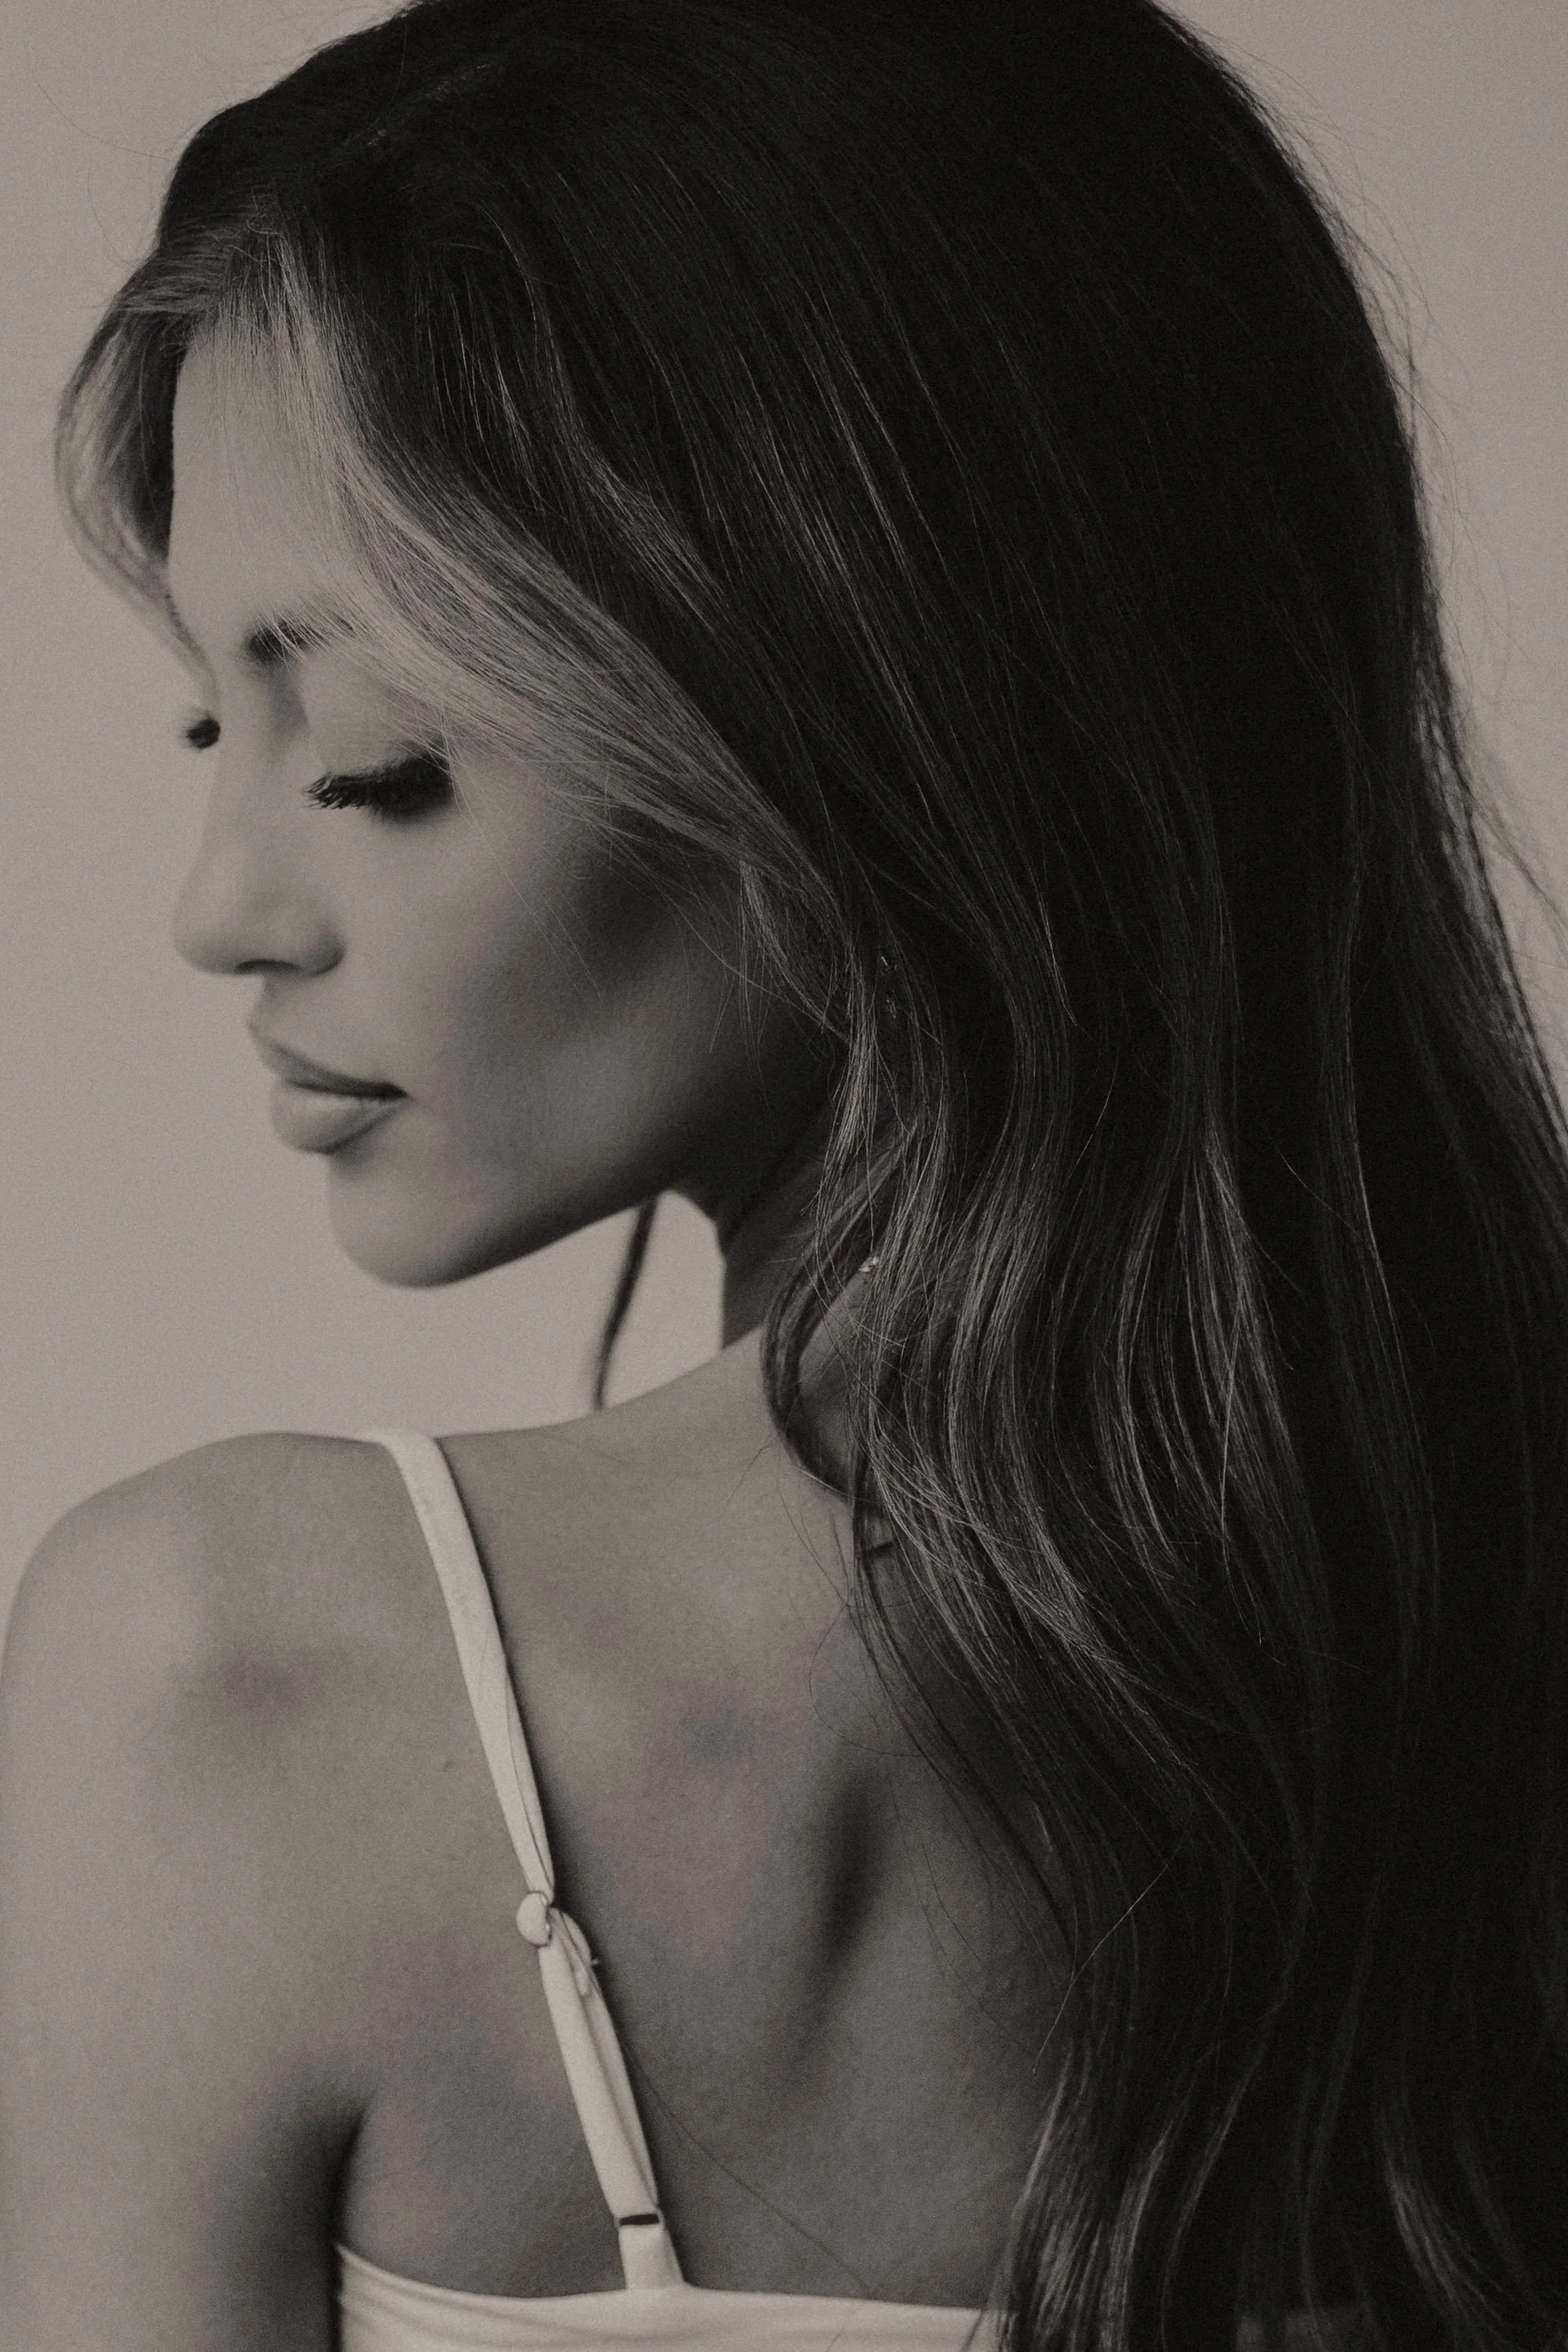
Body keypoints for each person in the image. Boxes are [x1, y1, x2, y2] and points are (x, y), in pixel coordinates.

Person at [2, 1, 1565, 2345]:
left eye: (372, 762)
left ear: (887, 714)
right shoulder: (1467, 1655)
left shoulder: (244, 1675)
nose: (222, 907)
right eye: (215, 724)